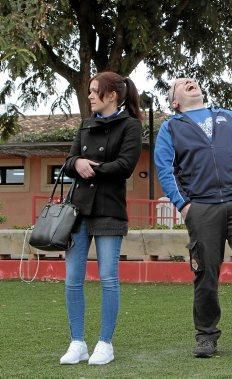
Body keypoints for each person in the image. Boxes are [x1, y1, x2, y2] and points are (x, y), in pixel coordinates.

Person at [154, 78, 232, 360]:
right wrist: (185, 206)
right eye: (181, 83)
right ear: (175, 102)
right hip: (201, 208)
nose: (190, 81)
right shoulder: (171, 127)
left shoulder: (227, 116)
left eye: (192, 80)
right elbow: (165, 168)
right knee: (206, 273)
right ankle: (206, 335)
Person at [59, 72, 143, 365]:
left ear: (112, 95)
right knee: (72, 279)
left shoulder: (131, 126)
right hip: (78, 211)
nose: (90, 96)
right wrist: (77, 162)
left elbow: (125, 166)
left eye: (95, 92)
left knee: (108, 278)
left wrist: (91, 168)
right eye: (90, 92)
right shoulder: (85, 124)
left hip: (109, 209)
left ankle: (105, 343)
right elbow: (68, 162)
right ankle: (77, 342)